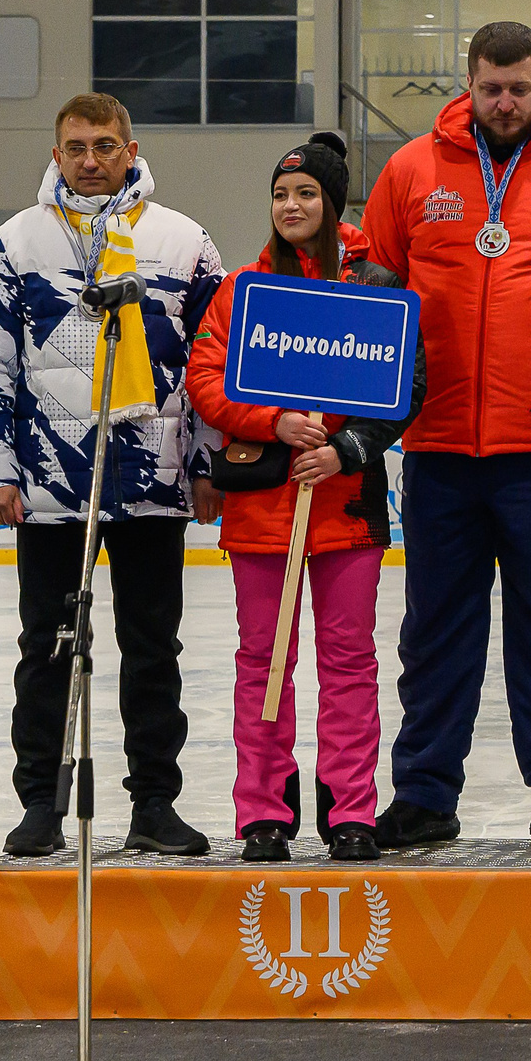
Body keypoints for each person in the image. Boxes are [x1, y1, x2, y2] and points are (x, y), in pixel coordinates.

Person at [358, 22, 531, 851]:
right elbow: (372, 291)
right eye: (489, 87)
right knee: (435, 629)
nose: (504, 102)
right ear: (468, 84)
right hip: (437, 446)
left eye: (518, 87)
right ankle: (425, 793)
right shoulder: (411, 169)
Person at [0, 92, 225, 858]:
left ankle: (154, 805)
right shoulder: (16, 243)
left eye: (105, 144)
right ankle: (42, 801)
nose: (91, 158)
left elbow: (215, 361)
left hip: (154, 485)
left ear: (131, 150)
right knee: (48, 647)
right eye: (76, 145)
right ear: (55, 154)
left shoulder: (182, 242)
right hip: (46, 491)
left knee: (152, 651)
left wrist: (207, 466)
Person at [189, 134, 415, 864]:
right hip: (263, 512)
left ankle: (350, 809)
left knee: (349, 662)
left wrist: (342, 448)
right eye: (281, 194)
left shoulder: (376, 282)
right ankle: (264, 811)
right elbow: (206, 380)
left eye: (306, 193)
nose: (291, 205)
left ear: (332, 201)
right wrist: (275, 423)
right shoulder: (240, 288)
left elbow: (404, 388)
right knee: (264, 657)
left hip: (345, 508)